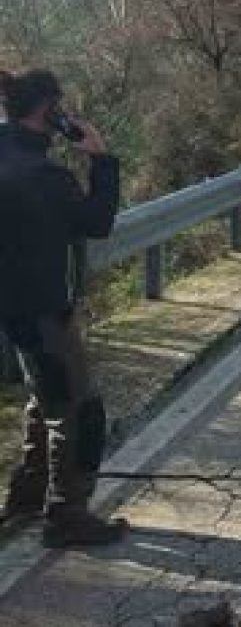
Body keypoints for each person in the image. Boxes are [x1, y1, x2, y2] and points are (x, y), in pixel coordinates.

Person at [0, 69, 126, 548]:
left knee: (45, 398)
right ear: (49, 111)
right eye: (59, 107)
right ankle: (68, 514)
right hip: (44, 308)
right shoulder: (48, 178)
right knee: (80, 409)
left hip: (12, 310)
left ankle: (28, 495)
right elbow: (98, 221)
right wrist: (101, 160)